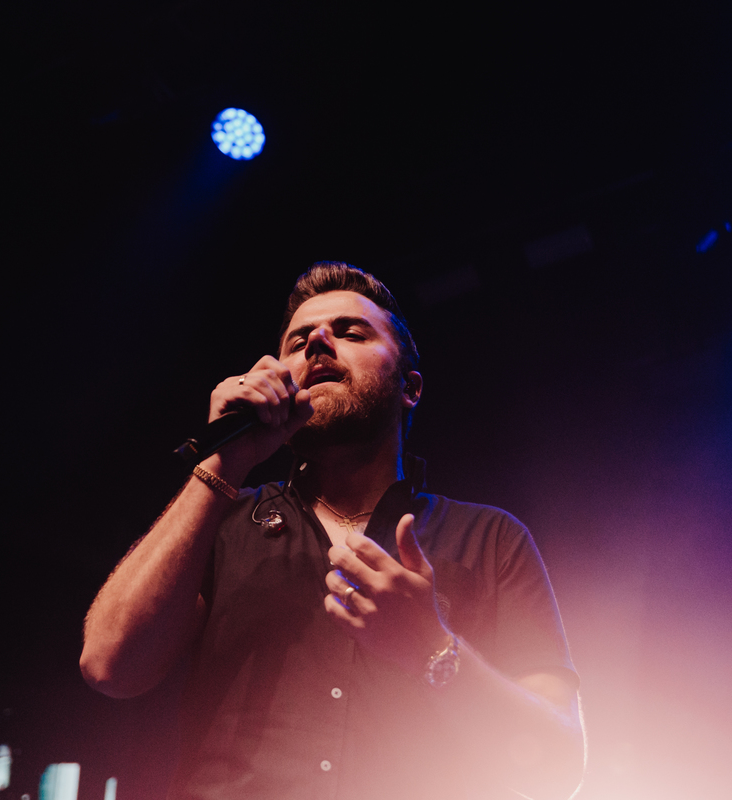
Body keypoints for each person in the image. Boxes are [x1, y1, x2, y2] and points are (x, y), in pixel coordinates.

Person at [80, 263, 585, 800]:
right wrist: (223, 462)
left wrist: (431, 648)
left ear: (410, 387)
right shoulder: (221, 522)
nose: (318, 341)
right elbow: (110, 665)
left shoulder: (491, 540)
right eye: (298, 342)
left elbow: (557, 767)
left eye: (351, 332)